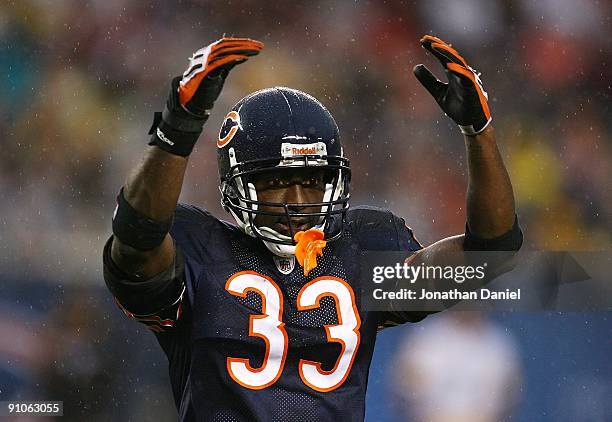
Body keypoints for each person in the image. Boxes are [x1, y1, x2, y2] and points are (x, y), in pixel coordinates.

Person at [102, 35, 523, 421]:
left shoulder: (361, 250)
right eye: (278, 181)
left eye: (312, 180)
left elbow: (491, 252)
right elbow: (137, 238)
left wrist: (479, 132)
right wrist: (178, 128)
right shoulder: (199, 250)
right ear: (237, 182)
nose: (298, 200)